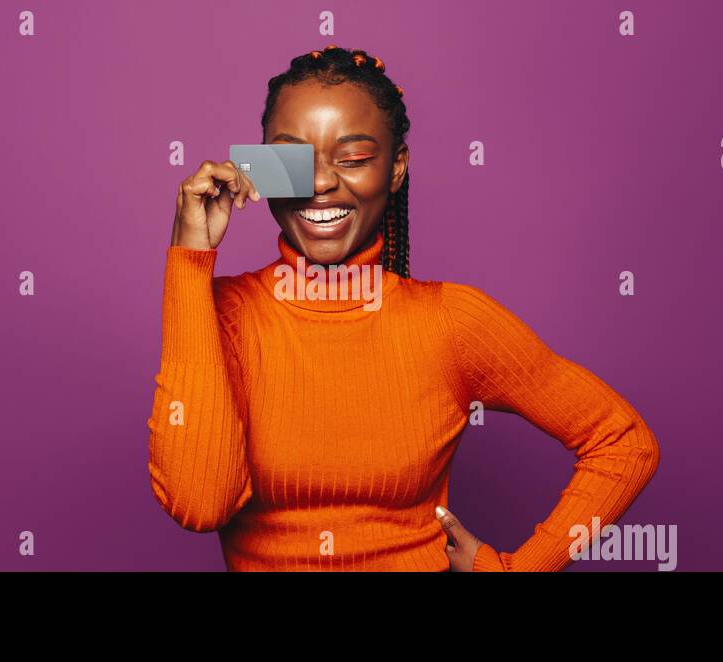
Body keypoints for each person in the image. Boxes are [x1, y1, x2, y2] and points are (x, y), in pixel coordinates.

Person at [148, 45, 660, 571]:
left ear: (395, 169)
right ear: (261, 169)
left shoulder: (450, 322)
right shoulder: (226, 313)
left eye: (352, 159)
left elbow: (624, 441)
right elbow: (199, 502)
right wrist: (190, 260)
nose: (322, 183)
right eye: (293, 161)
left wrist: (520, 568)